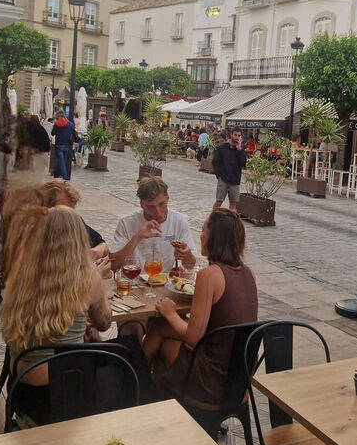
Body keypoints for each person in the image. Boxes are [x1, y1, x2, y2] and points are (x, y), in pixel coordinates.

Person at [0, 205, 112, 425]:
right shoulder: (87, 278)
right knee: (127, 364)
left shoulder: (19, 272)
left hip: (20, 388)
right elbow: (105, 323)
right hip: (64, 391)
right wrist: (97, 277)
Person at [142, 208, 258, 407]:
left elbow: (193, 337)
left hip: (211, 381)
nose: (201, 235)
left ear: (214, 238)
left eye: (204, 230)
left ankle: (135, 384)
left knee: (161, 331)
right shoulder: (249, 273)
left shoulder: (209, 275)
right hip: (239, 379)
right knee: (163, 332)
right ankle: (159, 399)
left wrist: (170, 313)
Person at [109, 177, 196, 274]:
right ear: (142, 204)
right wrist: (137, 237)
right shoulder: (126, 223)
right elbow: (113, 266)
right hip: (132, 280)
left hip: (163, 280)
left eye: (161, 204)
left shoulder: (179, 221)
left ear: (167, 199)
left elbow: (190, 266)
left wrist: (187, 255)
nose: (158, 212)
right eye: (151, 207)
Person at [212, 128, 247, 212]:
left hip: (235, 180)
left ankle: (231, 220)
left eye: (239, 136)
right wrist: (218, 175)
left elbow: (243, 164)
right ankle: (212, 218)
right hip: (223, 179)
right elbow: (215, 162)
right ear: (231, 135)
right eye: (235, 135)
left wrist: (239, 150)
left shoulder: (240, 150)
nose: (237, 137)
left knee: (233, 205)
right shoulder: (222, 147)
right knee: (218, 202)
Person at [51, 110, 80, 180]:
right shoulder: (70, 124)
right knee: (62, 161)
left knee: (61, 162)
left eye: (57, 117)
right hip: (66, 145)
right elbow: (75, 134)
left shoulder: (56, 124)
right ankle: (56, 175)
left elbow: (52, 133)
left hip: (58, 145)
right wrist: (78, 140)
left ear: (59, 116)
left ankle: (65, 177)